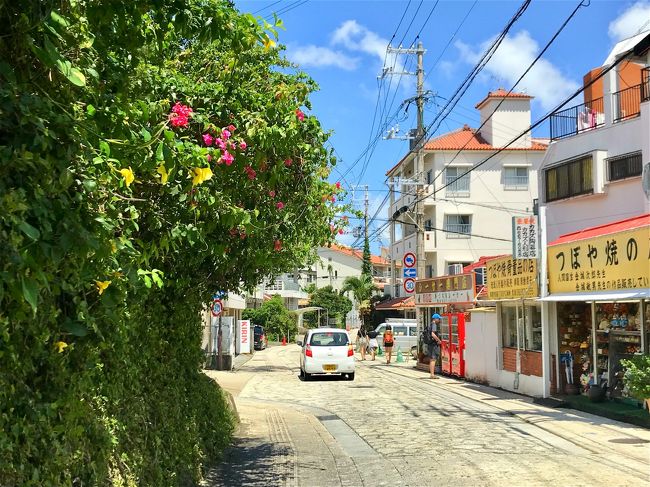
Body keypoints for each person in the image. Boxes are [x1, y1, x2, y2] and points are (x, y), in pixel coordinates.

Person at [427, 313, 443, 379]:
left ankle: (431, 374)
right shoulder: (434, 325)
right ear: (435, 319)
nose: (439, 320)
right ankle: (432, 375)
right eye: (438, 319)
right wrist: (439, 341)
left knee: (431, 359)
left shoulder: (430, 324)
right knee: (433, 359)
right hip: (433, 344)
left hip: (430, 344)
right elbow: (433, 334)